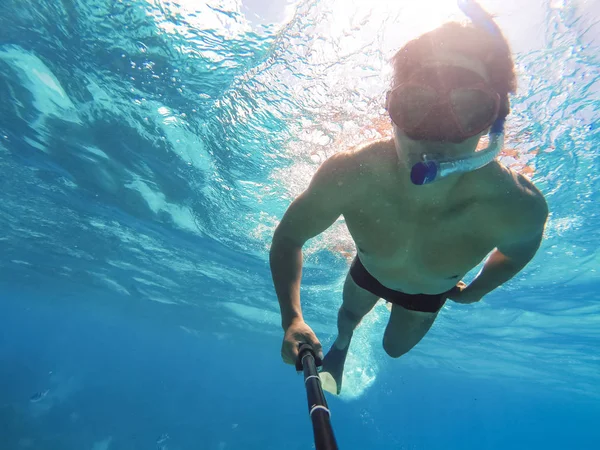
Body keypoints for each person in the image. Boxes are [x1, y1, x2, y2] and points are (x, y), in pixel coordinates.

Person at [269, 0, 548, 395]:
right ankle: (342, 347)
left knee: (394, 349)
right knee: (348, 318)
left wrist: (477, 291)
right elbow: (289, 237)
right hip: (369, 271)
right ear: (392, 106)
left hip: (429, 294)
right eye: (416, 103)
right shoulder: (351, 173)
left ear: (495, 119)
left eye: (468, 107)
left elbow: (516, 254)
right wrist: (291, 318)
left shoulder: (517, 205)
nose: (435, 131)